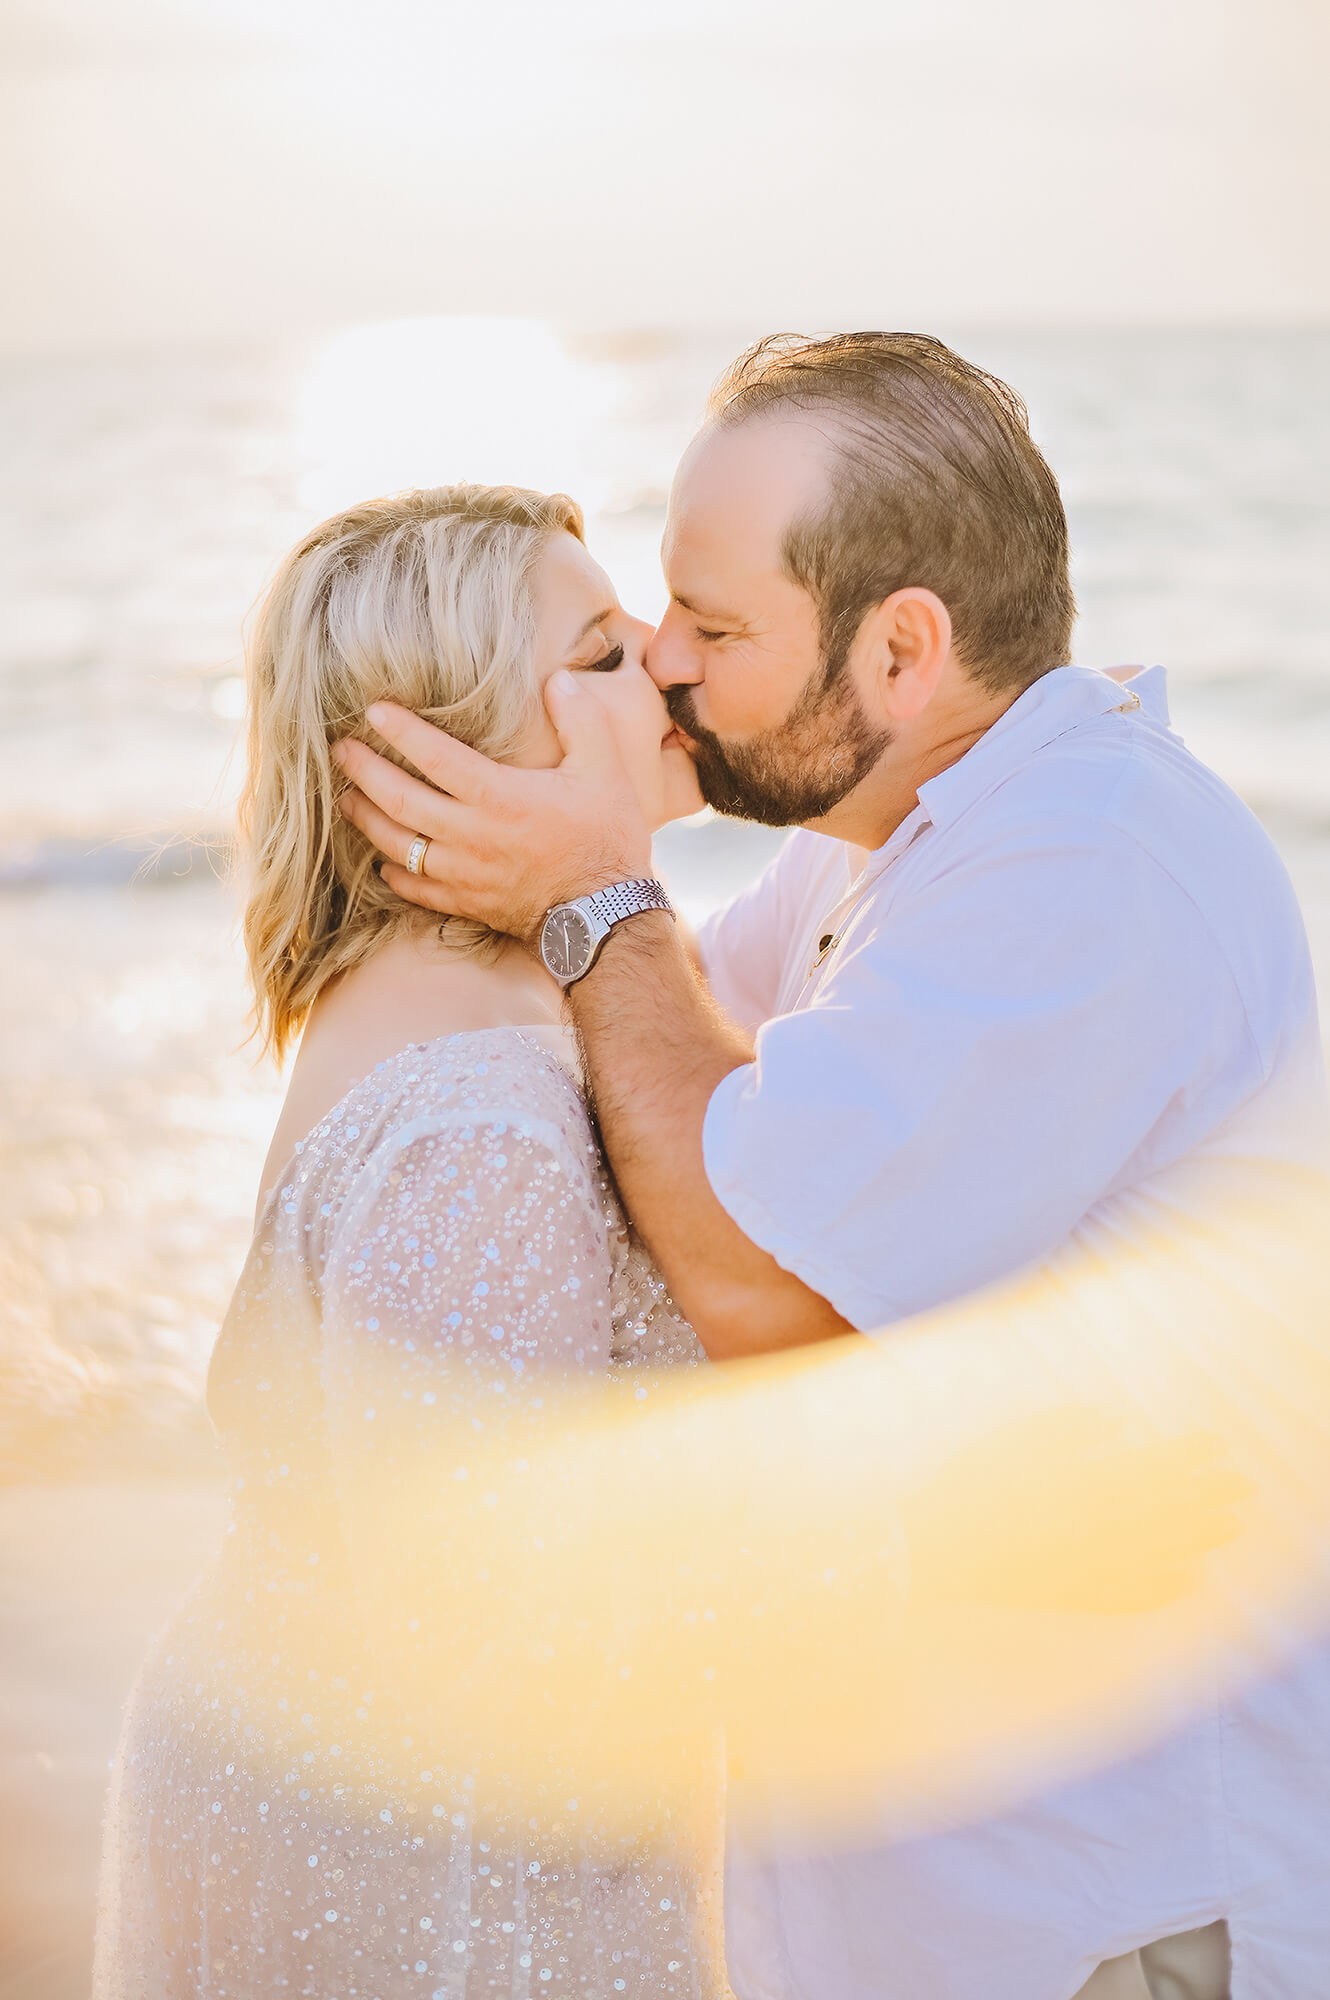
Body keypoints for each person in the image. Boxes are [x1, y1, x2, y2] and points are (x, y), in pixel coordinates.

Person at [336, 334, 1330, 2000]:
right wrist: (494, 903)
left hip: (1092, 1904)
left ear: (901, 649)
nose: (660, 661)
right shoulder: (879, 855)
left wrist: (588, 891)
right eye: (655, 615)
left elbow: (753, 1265)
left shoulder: (1084, 865)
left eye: (713, 628)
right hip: (941, 1876)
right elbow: (622, 1102)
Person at [92, 484, 720, 2000]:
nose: (666, 650)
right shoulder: (482, 1130)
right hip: (440, 1874)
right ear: (438, 757)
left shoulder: (455, 1006)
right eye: (598, 648)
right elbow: (495, 1639)